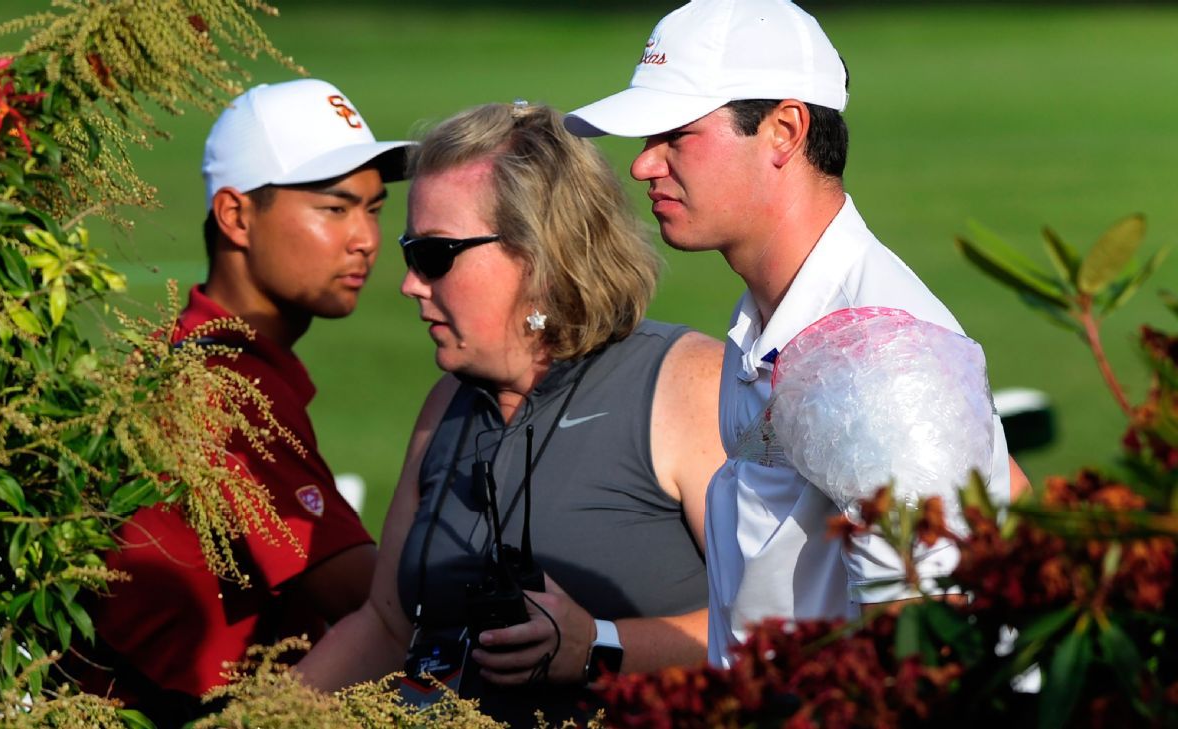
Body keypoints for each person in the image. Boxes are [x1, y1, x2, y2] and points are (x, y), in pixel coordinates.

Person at [564, 0, 1029, 668]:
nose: (643, 166)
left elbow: (928, 647)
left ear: (784, 130)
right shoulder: (774, 317)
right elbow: (1005, 485)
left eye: (675, 134)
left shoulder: (873, 354)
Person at [294, 102, 724, 727]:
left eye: (436, 254)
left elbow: (781, 624)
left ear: (541, 256)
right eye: (411, 252)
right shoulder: (449, 401)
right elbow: (387, 625)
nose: (410, 284)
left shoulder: (688, 386)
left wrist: (598, 646)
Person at [74, 79, 413, 725]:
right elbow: (374, 603)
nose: (366, 237)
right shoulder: (220, 387)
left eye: (374, 208)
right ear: (235, 216)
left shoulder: (193, 351)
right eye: (335, 208)